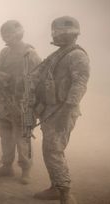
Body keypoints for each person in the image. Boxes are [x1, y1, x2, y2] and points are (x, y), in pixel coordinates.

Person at [33, 16, 90, 204]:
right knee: (49, 149)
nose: (56, 36)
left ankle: (66, 193)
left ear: (71, 34)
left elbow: (80, 83)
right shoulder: (59, 54)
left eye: (60, 32)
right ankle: (55, 187)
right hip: (51, 108)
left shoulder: (77, 55)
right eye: (56, 32)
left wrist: (68, 107)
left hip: (63, 109)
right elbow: (40, 75)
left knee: (53, 150)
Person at [0, 20, 41, 184]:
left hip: (22, 104)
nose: (6, 37)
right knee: (5, 135)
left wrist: (12, 80)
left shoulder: (30, 54)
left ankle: (26, 170)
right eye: (4, 34)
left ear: (19, 33)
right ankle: (6, 166)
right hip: (3, 102)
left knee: (23, 138)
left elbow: (38, 79)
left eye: (9, 34)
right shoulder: (4, 53)